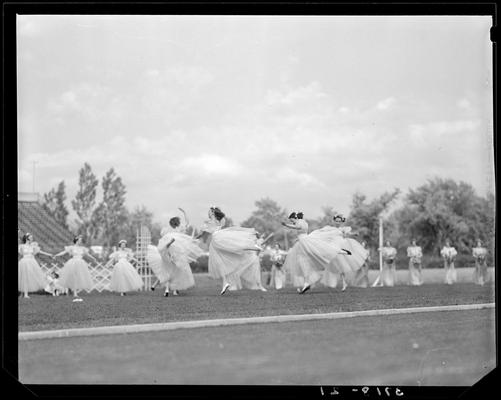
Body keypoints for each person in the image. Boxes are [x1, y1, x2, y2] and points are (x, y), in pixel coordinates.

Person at [281, 212, 353, 294]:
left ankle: (340, 251)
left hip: (305, 242)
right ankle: (306, 283)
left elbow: (298, 227)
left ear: (294, 218)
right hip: (302, 242)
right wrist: (297, 238)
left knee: (320, 252)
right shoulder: (302, 222)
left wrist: (287, 225)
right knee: (305, 261)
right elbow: (302, 232)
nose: (292, 222)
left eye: (291, 220)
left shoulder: (300, 222)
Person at [199, 206, 263, 295]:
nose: (208, 213)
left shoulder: (211, 221)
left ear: (212, 213)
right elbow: (206, 230)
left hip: (217, 238)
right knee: (221, 260)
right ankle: (225, 283)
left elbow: (202, 232)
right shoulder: (216, 221)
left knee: (233, 248)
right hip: (216, 239)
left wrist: (200, 232)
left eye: (209, 212)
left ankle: (252, 246)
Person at [156, 208, 205, 296]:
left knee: (167, 271)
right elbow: (187, 222)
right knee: (177, 272)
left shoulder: (167, 231)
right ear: (177, 223)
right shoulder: (179, 230)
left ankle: (167, 290)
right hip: (177, 255)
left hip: (168, 253)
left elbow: (163, 240)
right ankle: (175, 290)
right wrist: (184, 212)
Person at [317, 214, 369, 291]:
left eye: (339, 221)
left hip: (341, 247)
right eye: (336, 221)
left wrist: (354, 234)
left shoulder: (343, 229)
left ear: (341, 222)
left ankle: (344, 283)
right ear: (334, 221)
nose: (337, 222)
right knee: (332, 265)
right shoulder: (330, 229)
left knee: (341, 266)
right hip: (334, 247)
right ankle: (332, 282)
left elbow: (348, 234)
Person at [54, 235, 97, 302]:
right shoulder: (71, 247)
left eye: (81, 240)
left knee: (77, 277)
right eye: (80, 240)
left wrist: (93, 258)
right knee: (73, 277)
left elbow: (87, 254)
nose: (81, 241)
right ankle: (73, 292)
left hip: (81, 263)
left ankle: (74, 292)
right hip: (73, 263)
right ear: (76, 240)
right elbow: (64, 252)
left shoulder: (83, 248)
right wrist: (57, 255)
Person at [18, 233, 54, 299]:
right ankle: (24, 294)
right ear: (27, 238)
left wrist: (49, 254)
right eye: (31, 237)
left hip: (32, 262)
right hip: (24, 262)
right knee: (24, 277)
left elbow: (40, 251)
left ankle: (24, 293)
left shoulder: (33, 246)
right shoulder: (21, 246)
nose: (32, 238)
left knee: (30, 277)